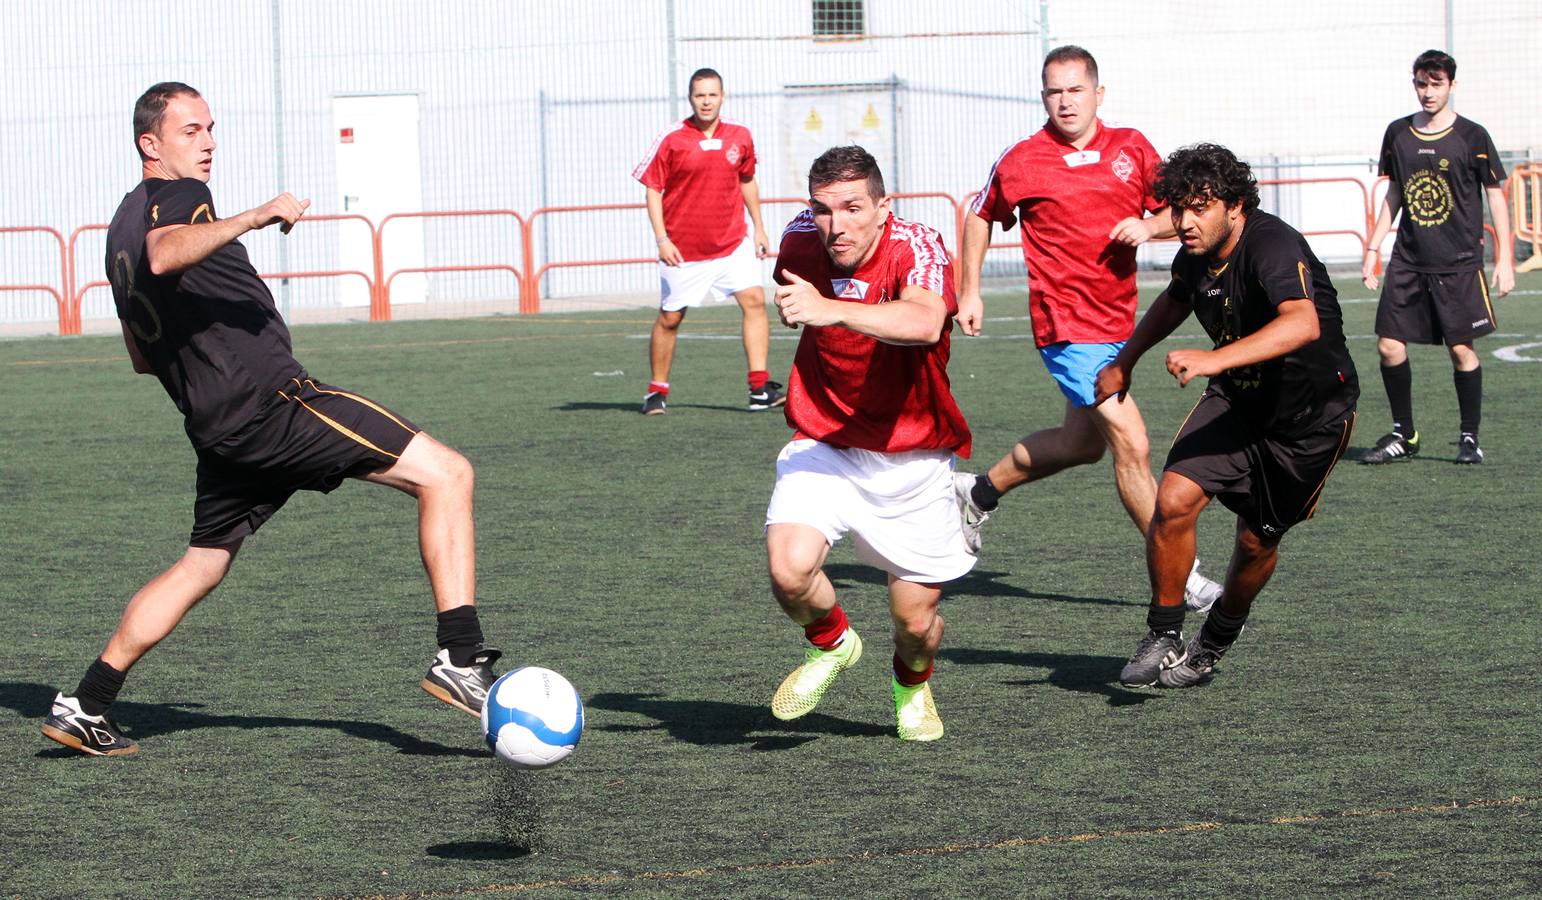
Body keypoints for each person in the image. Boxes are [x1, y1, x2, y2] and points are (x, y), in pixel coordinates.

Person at [40, 83, 502, 757]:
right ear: (151, 144)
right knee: (449, 475)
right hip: (273, 404)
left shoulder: (118, 229)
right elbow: (169, 252)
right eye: (191, 130)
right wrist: (254, 216)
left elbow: (142, 356)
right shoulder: (175, 202)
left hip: (217, 426)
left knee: (202, 563)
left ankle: (86, 702)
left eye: (210, 129)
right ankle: (460, 656)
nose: (208, 143)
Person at [953, 45, 1222, 611]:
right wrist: (969, 289)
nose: (1064, 101)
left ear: (1099, 93)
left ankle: (976, 493)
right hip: (1066, 325)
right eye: (1054, 91)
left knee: (1080, 445)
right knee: (1133, 443)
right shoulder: (1022, 158)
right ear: (1042, 96)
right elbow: (979, 212)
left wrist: (1149, 226)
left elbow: (1184, 211)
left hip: (1118, 322)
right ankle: (1184, 575)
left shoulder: (1132, 148)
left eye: (1075, 90)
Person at [1094, 143, 1359, 689]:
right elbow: (1175, 299)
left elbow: (1303, 323)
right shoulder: (1193, 254)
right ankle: (1164, 631)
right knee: (1172, 500)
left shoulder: (1273, 244)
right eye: (1178, 209)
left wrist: (1212, 357)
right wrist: (1125, 361)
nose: (1185, 222)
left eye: (1200, 208)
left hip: (1308, 420)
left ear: (1235, 206)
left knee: (1256, 541)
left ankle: (1213, 641)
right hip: (1237, 400)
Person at [765, 146, 973, 742]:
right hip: (826, 439)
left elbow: (924, 322)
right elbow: (795, 296)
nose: (837, 226)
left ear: (884, 207)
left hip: (913, 456)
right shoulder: (801, 239)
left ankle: (910, 684)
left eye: (853, 208)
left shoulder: (919, 246)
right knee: (789, 570)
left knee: (915, 623)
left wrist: (829, 309)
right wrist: (800, 307)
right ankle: (831, 644)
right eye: (824, 210)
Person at [1360, 49, 1513, 465]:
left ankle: (1469, 438)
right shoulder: (1398, 133)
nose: (1428, 92)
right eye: (1421, 84)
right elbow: (1394, 194)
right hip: (1409, 259)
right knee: (1389, 346)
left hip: (1459, 262)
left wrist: (1504, 259)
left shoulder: (1473, 136)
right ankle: (1403, 434)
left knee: (1461, 350)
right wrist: (1374, 247)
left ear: (1452, 85)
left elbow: (1496, 197)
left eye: (1436, 83)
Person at [632, 67, 782, 415]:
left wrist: (759, 227)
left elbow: (747, 180)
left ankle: (759, 388)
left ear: (722, 97)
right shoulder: (672, 138)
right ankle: (656, 391)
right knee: (671, 318)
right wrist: (662, 239)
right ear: (691, 98)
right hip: (684, 250)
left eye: (712, 95)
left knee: (755, 301)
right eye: (700, 95)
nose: (706, 101)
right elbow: (653, 189)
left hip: (732, 242)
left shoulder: (740, 136)